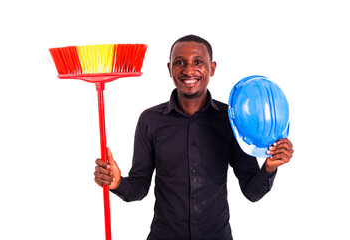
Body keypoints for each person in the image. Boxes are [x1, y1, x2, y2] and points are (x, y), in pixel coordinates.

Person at [94, 35, 294, 240]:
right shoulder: (150, 120)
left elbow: (252, 191)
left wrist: (270, 166)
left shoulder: (231, 119)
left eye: (198, 62)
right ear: (169, 68)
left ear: (212, 68)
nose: (189, 70)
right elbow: (139, 187)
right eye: (180, 63)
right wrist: (117, 183)